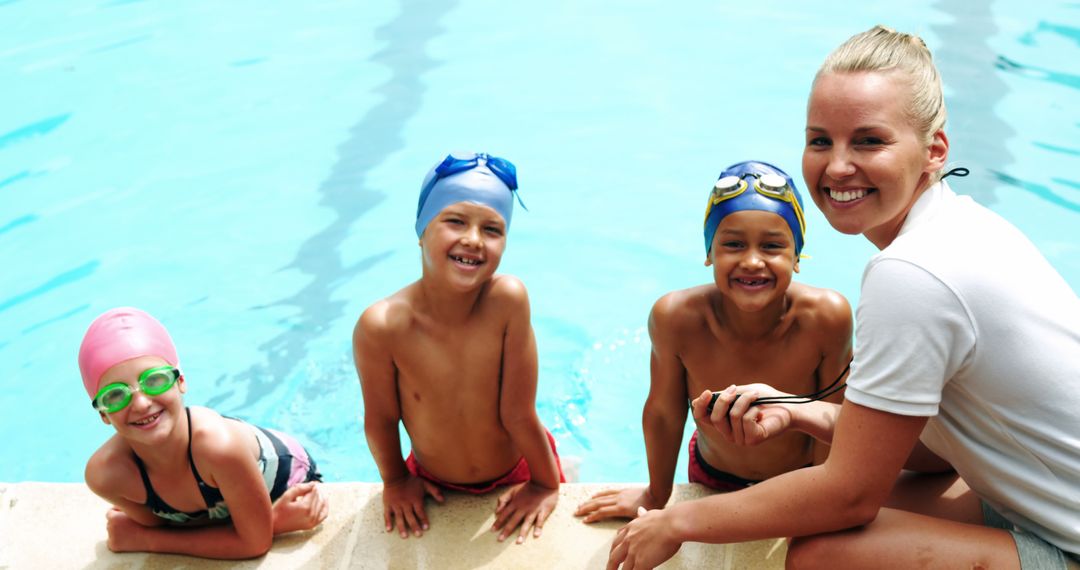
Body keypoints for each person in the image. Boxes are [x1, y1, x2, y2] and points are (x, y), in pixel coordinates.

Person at [606, 25, 1080, 570]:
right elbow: (926, 450)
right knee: (828, 510)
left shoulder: (913, 273)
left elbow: (849, 493)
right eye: (820, 140)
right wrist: (801, 412)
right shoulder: (967, 225)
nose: (836, 167)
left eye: (869, 140)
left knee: (825, 553)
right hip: (1049, 505)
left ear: (934, 150)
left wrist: (676, 521)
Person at [574, 160, 852, 523]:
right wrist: (656, 494)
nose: (752, 261)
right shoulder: (676, 318)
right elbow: (664, 412)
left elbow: (836, 420)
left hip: (799, 479)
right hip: (712, 477)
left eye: (772, 246)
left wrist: (818, 507)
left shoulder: (825, 319)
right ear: (709, 253)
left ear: (796, 256)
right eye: (733, 244)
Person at [353, 152, 564, 544]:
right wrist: (397, 480)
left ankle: (567, 465)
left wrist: (546, 483)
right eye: (454, 221)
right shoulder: (382, 326)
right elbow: (381, 419)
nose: (472, 239)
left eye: (492, 229)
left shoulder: (507, 300)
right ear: (421, 229)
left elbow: (519, 413)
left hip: (519, 467)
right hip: (433, 479)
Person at [80, 307, 328, 559]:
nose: (142, 404)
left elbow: (254, 545)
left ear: (181, 381)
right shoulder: (106, 476)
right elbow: (169, 526)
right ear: (103, 414)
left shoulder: (218, 447)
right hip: (220, 504)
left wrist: (145, 540)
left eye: (154, 380)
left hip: (283, 482)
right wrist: (258, 528)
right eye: (115, 395)